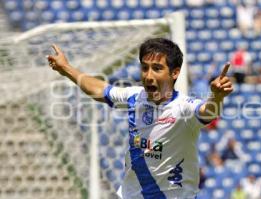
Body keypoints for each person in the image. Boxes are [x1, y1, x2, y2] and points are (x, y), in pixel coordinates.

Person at [47, 38, 233, 199]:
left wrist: (217, 96)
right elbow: (99, 89)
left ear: (174, 73)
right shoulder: (134, 97)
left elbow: (208, 112)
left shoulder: (184, 107)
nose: (148, 76)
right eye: (145, 68)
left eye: (157, 68)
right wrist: (66, 68)